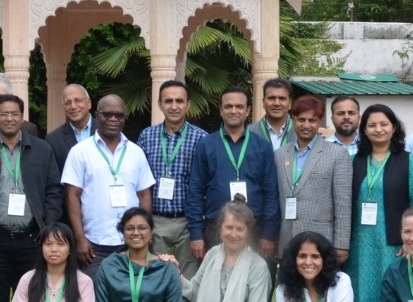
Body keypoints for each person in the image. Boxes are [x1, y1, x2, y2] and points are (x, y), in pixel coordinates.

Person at [345, 103, 413, 302]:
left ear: (394, 127)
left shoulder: (407, 161)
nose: (378, 129)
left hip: (394, 244)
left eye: (383, 124)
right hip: (360, 245)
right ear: (364, 130)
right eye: (371, 125)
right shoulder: (354, 161)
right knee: (364, 298)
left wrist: (411, 239)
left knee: (392, 297)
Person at [0, 92, 63, 302]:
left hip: (32, 238)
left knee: (33, 299)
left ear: (22, 117)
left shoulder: (42, 150)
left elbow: (54, 191)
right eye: (4, 114)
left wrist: (47, 226)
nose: (10, 118)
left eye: (15, 114)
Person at [185, 85, 280, 263]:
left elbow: (271, 192)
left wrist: (268, 233)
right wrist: (196, 233)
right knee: (216, 283)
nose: (233, 111)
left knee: (251, 285)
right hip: (216, 229)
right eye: (228, 106)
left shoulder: (262, 146)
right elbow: (195, 191)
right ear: (220, 110)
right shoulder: (206, 145)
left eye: (239, 106)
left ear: (248, 110)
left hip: (254, 228)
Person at [61, 93, 155, 266]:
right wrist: (80, 239)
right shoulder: (80, 151)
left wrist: (144, 233)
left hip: (131, 242)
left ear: (124, 118)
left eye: (119, 115)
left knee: (130, 292)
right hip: (94, 244)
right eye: (107, 114)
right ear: (97, 116)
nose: (113, 119)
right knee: (97, 292)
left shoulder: (136, 152)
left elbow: (144, 194)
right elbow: (72, 196)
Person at [137, 79, 206, 273]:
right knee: (157, 276)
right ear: (159, 104)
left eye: (179, 101)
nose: (174, 106)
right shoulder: (146, 136)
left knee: (189, 281)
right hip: (157, 220)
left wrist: (197, 227)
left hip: (188, 221)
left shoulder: (201, 138)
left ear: (188, 104)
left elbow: (203, 185)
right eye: (168, 101)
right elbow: (140, 183)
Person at [275, 95, 351, 260]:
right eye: (301, 120)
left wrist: (342, 244)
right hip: (287, 240)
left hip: (322, 242)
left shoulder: (338, 154)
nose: (306, 125)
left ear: (320, 121)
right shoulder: (280, 155)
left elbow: (343, 205)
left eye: (312, 120)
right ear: (292, 119)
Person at [45, 83, 95, 171]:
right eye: (67, 103)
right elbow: (53, 178)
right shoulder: (53, 139)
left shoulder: (105, 132)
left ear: (89, 103)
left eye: (77, 100)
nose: (73, 106)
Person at [252, 77, 296, 151]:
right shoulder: (250, 133)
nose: (276, 103)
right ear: (263, 102)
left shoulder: (300, 132)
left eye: (282, 98)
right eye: (271, 98)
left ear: (290, 103)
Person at [327, 94, 361, 159]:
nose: (346, 117)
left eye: (351, 113)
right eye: (340, 113)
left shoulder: (370, 146)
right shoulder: (321, 149)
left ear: (359, 117)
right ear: (332, 119)